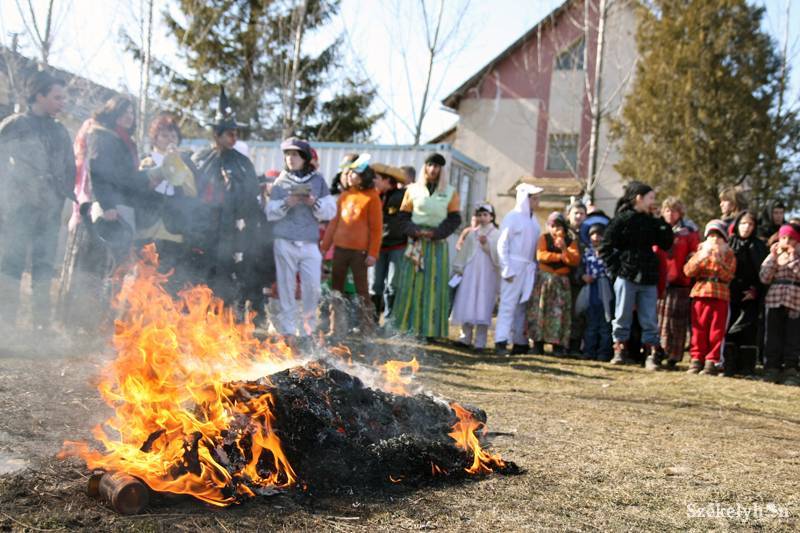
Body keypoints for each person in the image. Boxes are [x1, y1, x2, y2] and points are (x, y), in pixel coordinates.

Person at [0, 71, 76, 331]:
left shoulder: (60, 132)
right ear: (39, 95)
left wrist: (62, 198)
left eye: (64, 98)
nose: (62, 102)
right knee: (11, 268)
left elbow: (69, 170)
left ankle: (40, 329)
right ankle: (6, 329)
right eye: (57, 97)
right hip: (16, 211)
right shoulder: (14, 125)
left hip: (49, 212)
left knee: (44, 271)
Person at [192, 87, 262, 312]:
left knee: (227, 272)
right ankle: (198, 318)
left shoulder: (242, 162)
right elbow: (190, 191)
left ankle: (224, 317)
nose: (234, 138)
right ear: (217, 135)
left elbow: (252, 195)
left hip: (231, 227)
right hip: (203, 226)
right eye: (229, 133)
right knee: (201, 272)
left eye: (236, 133)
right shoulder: (201, 159)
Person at [267, 137, 336, 341]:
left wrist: (312, 202)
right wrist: (287, 202)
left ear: (305, 158)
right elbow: (270, 213)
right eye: (287, 154)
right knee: (286, 287)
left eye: (295, 154)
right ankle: (288, 331)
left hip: (309, 243)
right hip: (284, 240)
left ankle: (307, 330)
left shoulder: (318, 181)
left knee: (312, 288)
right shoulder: (280, 182)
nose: (290, 158)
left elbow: (330, 211)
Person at [601, 181, 673, 368]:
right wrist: (616, 270)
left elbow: (666, 243)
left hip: (648, 274)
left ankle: (651, 353)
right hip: (626, 273)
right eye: (651, 198)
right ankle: (619, 350)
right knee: (622, 315)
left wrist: (661, 221)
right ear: (639, 198)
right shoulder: (622, 219)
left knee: (649, 317)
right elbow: (606, 247)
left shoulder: (652, 221)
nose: (653, 202)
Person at [393, 153, 462, 339]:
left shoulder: (449, 191)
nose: (433, 169)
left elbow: (455, 218)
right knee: (411, 283)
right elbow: (402, 217)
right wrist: (414, 230)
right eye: (430, 165)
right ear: (425, 167)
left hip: (437, 243)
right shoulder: (413, 189)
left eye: (437, 166)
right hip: (416, 242)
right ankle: (407, 327)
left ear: (442, 169)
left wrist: (437, 233)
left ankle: (431, 330)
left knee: (434, 284)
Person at [136, 113, 201, 294]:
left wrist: (179, 163)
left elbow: (192, 191)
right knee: (145, 275)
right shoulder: (146, 161)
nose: (170, 140)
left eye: (173, 136)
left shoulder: (186, 162)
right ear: (155, 138)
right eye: (164, 135)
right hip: (148, 226)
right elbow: (138, 189)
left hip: (173, 228)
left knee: (170, 277)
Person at [321, 155, 383, 338]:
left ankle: (367, 329)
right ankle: (335, 328)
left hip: (360, 253)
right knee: (336, 290)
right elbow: (334, 223)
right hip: (340, 250)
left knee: (362, 292)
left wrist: (373, 253)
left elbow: (376, 229)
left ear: (363, 175)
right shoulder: (345, 196)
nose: (349, 175)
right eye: (348, 173)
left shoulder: (372, 198)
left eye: (354, 173)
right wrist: (325, 247)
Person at [494, 183, 543, 355]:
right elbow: (502, 244)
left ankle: (520, 341)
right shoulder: (512, 217)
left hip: (527, 267)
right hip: (514, 266)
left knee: (522, 305)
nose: (538, 202)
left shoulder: (534, 220)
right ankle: (501, 340)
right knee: (508, 304)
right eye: (535, 198)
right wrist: (506, 268)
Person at [683, 220, 737, 375]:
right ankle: (696, 359)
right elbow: (688, 271)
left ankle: (712, 361)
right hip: (700, 292)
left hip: (720, 294)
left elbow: (729, 275)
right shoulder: (700, 252)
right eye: (711, 236)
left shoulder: (729, 254)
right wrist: (701, 258)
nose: (715, 239)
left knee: (716, 330)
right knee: (698, 329)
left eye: (719, 236)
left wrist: (719, 261)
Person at [655, 197, 700, 369]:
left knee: (676, 323)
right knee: (660, 322)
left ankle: (673, 356)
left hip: (680, 282)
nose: (670, 214)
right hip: (660, 281)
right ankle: (657, 352)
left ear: (680, 212)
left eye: (673, 210)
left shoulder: (689, 232)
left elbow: (694, 255)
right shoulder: (658, 229)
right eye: (666, 210)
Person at [528, 212, 580, 356]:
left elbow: (574, 260)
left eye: (558, 225)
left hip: (561, 282)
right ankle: (537, 344)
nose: (555, 229)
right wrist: (560, 257)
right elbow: (541, 255)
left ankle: (558, 345)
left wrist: (564, 248)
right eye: (552, 225)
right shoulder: (544, 238)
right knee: (540, 311)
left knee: (559, 313)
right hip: (544, 280)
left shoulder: (570, 240)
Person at [451, 203, 500, 351]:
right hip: (472, 272)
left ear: (491, 217)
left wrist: (487, 245)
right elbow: (465, 252)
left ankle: (480, 341)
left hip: (487, 273)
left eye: (485, 215)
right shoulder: (473, 233)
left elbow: (498, 255)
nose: (482, 218)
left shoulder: (497, 234)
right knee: (469, 300)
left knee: (483, 303)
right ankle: (465, 337)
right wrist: (460, 267)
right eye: (480, 215)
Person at [724, 210, 768, 376]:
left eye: (750, 224)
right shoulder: (728, 243)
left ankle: (747, 368)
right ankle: (729, 366)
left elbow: (763, 273)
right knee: (729, 330)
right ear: (737, 225)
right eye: (743, 223)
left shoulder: (759, 246)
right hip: (730, 293)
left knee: (748, 332)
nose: (747, 227)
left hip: (750, 295)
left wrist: (755, 291)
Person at [759, 223, 800, 385]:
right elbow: (764, 277)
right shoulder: (773, 255)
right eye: (784, 238)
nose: (787, 241)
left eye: (791, 238)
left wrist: (792, 258)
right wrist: (774, 258)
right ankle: (771, 368)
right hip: (774, 299)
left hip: (796, 300)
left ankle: (791, 369)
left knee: (793, 336)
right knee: (772, 335)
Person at [370, 162, 408, 321]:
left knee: (393, 284)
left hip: (397, 245)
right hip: (378, 247)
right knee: (375, 284)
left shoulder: (402, 196)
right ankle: (372, 320)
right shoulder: (374, 196)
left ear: (387, 180)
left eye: (377, 178)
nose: (374, 181)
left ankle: (390, 320)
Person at [579, 222, 613, 361]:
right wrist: (583, 276)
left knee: (606, 323)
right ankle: (589, 351)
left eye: (599, 235)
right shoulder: (587, 252)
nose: (596, 238)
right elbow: (580, 269)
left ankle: (604, 352)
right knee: (591, 323)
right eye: (593, 235)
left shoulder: (609, 253)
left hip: (605, 289)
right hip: (590, 289)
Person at [565, 201, 587, 354]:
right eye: (576, 213)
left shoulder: (587, 234)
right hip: (565, 278)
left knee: (578, 314)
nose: (578, 216)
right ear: (569, 215)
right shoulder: (564, 234)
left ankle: (575, 346)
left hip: (582, 280)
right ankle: (563, 345)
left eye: (582, 213)